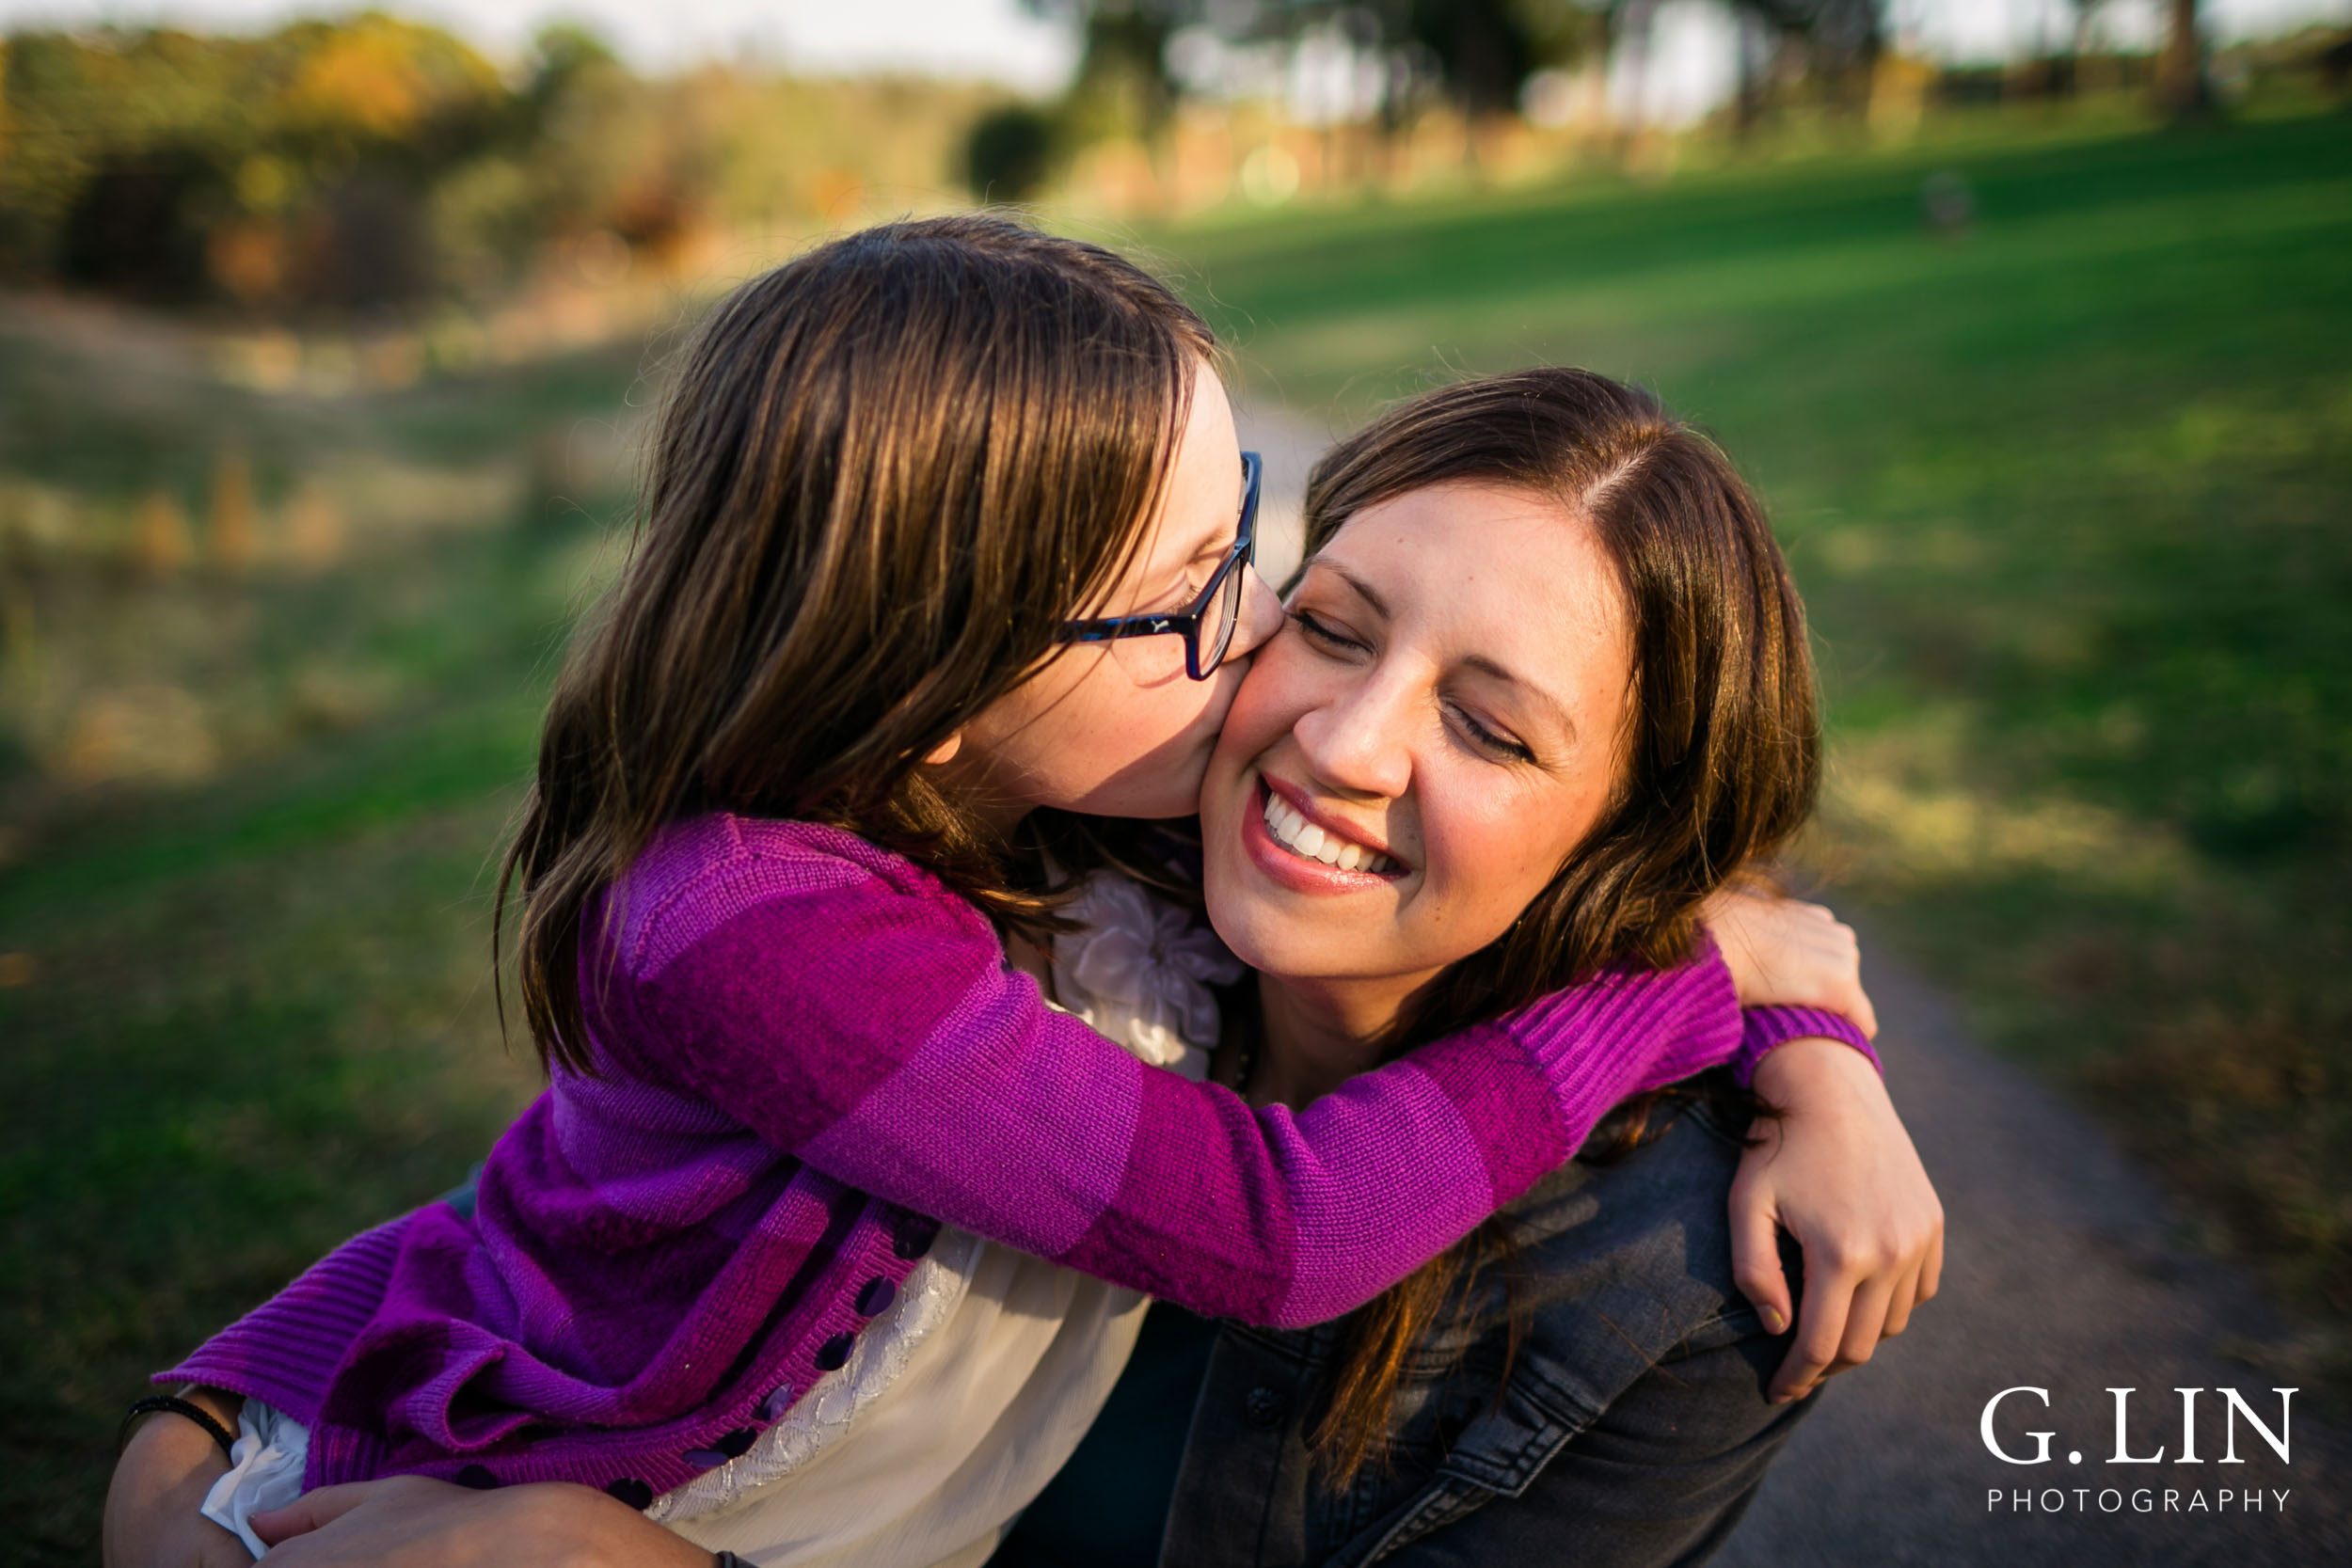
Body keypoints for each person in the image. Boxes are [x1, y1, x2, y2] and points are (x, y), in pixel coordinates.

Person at [103, 218, 1920, 1568]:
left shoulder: (1073, 828)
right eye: (1280, 605)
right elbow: (543, 1228)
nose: (1300, 705)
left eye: (1249, 553)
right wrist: (206, 1430)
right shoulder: (837, 911)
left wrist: (1804, 1030)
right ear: (947, 666)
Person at [995, 367, 1940, 1566]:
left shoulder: (1692, 1282)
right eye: (1334, 628)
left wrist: (1807, 1040)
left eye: (1490, 728)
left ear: (1624, 841)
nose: (1344, 744)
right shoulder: (1049, 875)